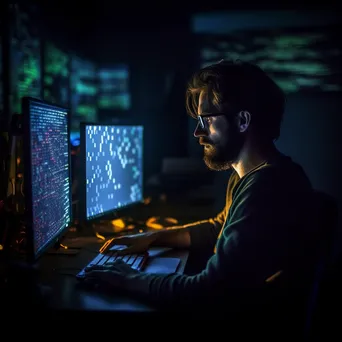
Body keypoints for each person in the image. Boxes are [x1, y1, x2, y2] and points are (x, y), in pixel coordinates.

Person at [84, 60, 319, 325]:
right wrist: (152, 237)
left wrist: (128, 279)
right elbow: (219, 228)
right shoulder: (253, 174)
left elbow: (210, 291)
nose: (197, 132)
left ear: (242, 120)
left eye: (205, 119)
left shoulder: (266, 188)